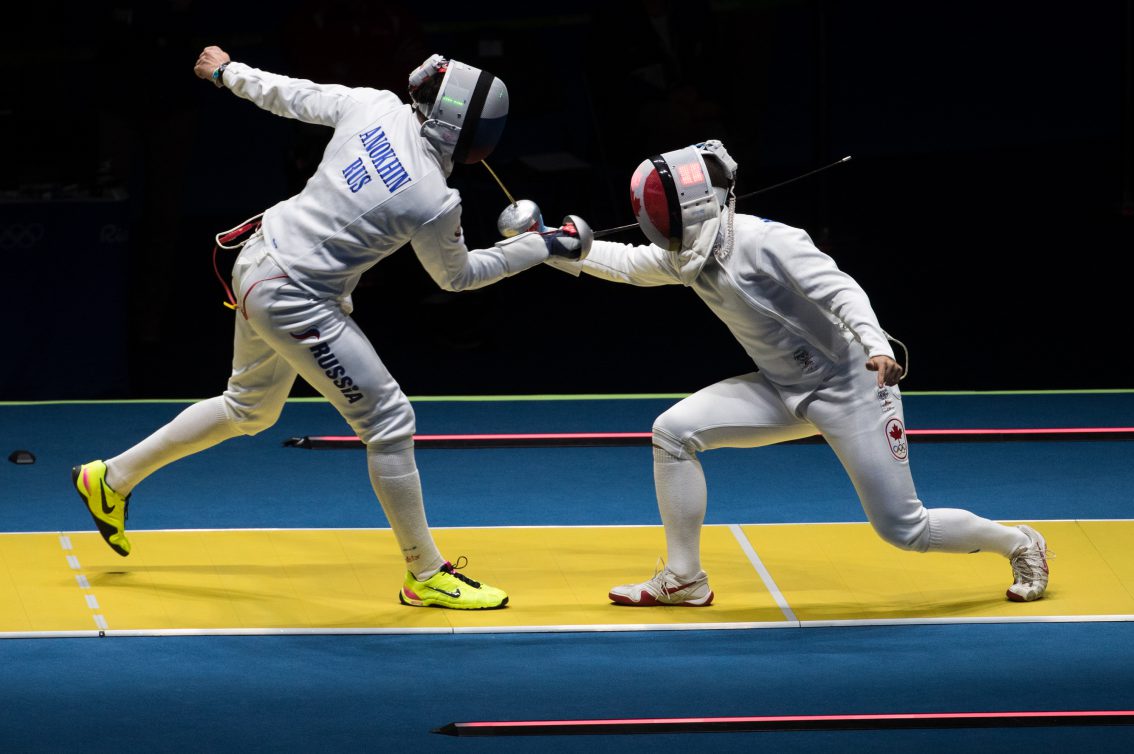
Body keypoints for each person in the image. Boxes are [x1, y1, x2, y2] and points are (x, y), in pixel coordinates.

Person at [71, 46, 590, 610]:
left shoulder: (373, 106)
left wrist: (226, 72)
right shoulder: (435, 200)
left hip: (257, 258)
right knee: (390, 421)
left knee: (249, 408)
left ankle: (111, 477)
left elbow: (291, 94)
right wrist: (539, 248)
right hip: (294, 295)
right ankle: (425, 573)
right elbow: (458, 278)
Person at [544, 140, 1049, 606]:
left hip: (853, 386)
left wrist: (875, 345)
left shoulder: (767, 241)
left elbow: (841, 290)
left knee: (903, 529)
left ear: (690, 203)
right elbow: (630, 264)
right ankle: (685, 578)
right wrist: (560, 247)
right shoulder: (689, 256)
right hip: (782, 388)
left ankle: (1019, 541)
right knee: (673, 433)